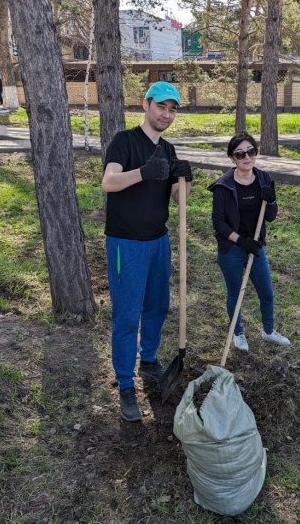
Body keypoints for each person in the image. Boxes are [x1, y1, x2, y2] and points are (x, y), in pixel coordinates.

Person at [102, 81, 193, 422]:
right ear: (146, 104)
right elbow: (109, 182)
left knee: (158, 306)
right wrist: (142, 173)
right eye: (161, 107)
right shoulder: (124, 142)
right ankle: (126, 385)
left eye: (172, 110)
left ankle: (149, 360)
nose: (166, 115)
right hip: (127, 243)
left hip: (158, 242)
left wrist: (183, 180)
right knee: (127, 315)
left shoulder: (168, 150)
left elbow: (177, 201)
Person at [209, 131, 291, 353]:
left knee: (267, 293)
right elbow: (218, 224)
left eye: (251, 152)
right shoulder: (223, 186)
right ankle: (238, 333)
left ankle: (268, 330)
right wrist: (241, 241)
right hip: (231, 249)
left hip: (256, 247)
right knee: (235, 294)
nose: (246, 157)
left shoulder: (264, 179)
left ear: (256, 153)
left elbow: (271, 216)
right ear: (232, 158)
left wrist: (271, 199)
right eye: (240, 154)